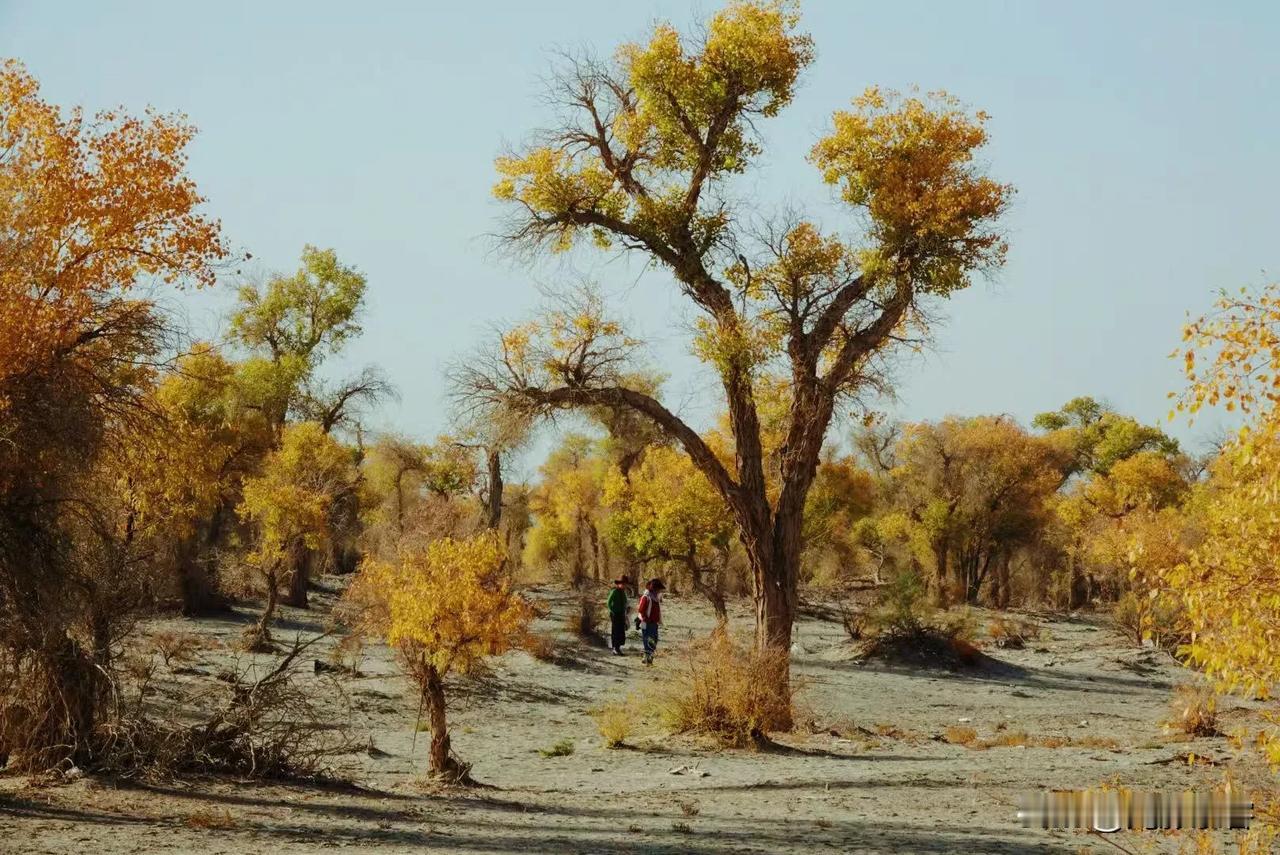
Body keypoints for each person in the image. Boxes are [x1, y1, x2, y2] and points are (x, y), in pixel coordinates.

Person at [637, 578, 665, 665]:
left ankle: (649, 658)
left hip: (654, 623)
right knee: (648, 641)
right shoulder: (646, 597)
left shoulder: (655, 598)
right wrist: (646, 619)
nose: (659, 591)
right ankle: (647, 659)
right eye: (658, 589)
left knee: (653, 641)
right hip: (647, 623)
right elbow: (641, 610)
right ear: (654, 588)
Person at [606, 577, 628, 655]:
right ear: (618, 584)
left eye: (625, 584)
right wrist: (612, 610)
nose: (623, 585)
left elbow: (625, 602)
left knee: (621, 630)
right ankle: (615, 648)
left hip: (622, 613)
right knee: (615, 630)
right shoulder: (614, 591)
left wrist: (626, 611)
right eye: (622, 584)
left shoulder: (623, 592)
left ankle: (618, 648)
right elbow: (608, 602)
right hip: (615, 614)